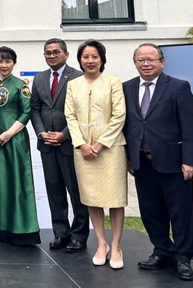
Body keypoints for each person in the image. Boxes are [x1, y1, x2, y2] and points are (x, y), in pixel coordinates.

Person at [123, 43, 193, 281]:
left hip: (174, 163)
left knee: (180, 213)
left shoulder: (178, 87)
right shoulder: (127, 88)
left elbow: (191, 127)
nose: (146, 64)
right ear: (135, 63)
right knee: (150, 212)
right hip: (142, 163)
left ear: (162, 61)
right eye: (140, 60)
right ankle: (162, 251)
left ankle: (182, 258)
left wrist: (190, 160)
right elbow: (127, 125)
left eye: (151, 59)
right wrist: (129, 156)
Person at [64, 39, 127, 269]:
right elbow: (70, 117)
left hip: (110, 150)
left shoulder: (113, 82)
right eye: (85, 57)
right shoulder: (74, 84)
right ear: (79, 60)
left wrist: (100, 144)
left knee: (115, 199)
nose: (90, 61)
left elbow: (119, 116)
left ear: (102, 59)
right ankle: (102, 243)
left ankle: (117, 245)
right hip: (83, 150)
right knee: (92, 198)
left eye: (94, 57)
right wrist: (81, 144)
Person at [29, 38, 88, 253]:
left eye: (55, 52)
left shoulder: (78, 77)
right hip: (46, 145)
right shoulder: (40, 78)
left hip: (69, 144)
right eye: (48, 53)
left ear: (66, 54)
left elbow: (82, 112)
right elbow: (35, 109)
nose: (51, 56)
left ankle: (79, 236)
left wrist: (64, 135)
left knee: (76, 192)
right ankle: (60, 234)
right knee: (54, 192)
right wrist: (41, 132)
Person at [0, 46, 40, 246]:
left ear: (14, 63)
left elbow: (26, 113)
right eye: (0, 61)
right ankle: (3, 227)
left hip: (15, 138)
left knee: (18, 181)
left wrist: (8, 133)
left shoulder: (21, 85)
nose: (4, 65)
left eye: (7, 61)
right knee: (2, 182)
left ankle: (23, 229)